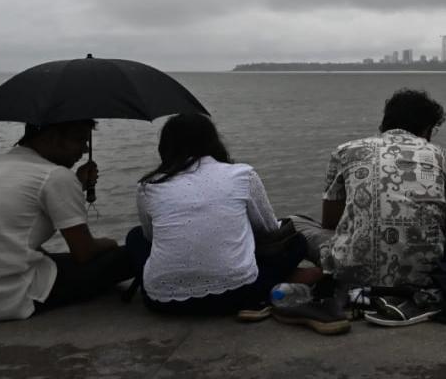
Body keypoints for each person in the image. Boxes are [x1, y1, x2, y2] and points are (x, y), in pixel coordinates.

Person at [0, 120, 133, 322]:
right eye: (78, 139)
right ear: (50, 138)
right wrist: (109, 243)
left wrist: (77, 185)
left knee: (54, 259)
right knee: (131, 253)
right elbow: (83, 252)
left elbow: (9, 221)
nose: (84, 149)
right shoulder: (55, 175)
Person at [125, 113, 318, 318]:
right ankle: (282, 279)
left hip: (162, 301)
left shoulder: (149, 186)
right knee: (297, 243)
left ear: (165, 147)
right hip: (238, 294)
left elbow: (151, 237)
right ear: (213, 142)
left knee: (135, 236)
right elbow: (269, 230)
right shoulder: (242, 174)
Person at [294, 89, 446, 289]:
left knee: (293, 223)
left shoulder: (346, 151)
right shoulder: (444, 157)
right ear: (427, 128)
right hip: (424, 276)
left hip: (352, 274)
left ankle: (305, 275)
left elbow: (330, 223)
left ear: (386, 121)